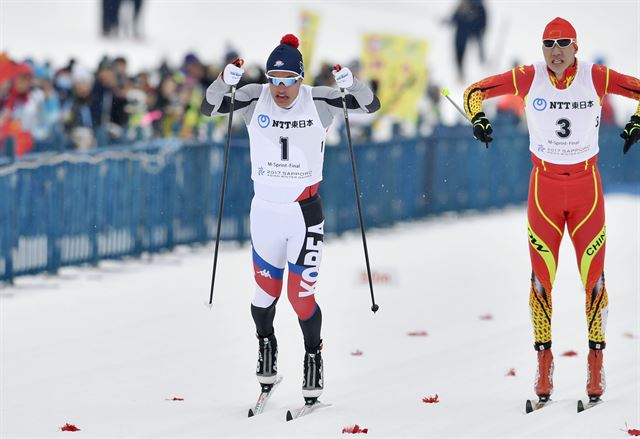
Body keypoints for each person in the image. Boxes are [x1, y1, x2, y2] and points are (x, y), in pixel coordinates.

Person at [462, 17, 640, 405]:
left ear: (576, 46)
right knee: (541, 282)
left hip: (586, 192)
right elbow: (475, 90)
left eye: (563, 43)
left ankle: (596, 364)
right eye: (548, 44)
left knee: (593, 280)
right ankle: (544, 365)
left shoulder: (595, 75)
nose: (555, 51)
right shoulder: (530, 77)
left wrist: (637, 122)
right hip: (543, 190)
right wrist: (478, 119)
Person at [200, 34, 380, 405]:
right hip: (264, 211)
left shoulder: (320, 100)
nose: (280, 89)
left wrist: (352, 83)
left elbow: (370, 105)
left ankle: (313, 357)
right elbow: (209, 108)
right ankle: (267, 347)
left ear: (300, 78)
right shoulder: (254, 96)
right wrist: (224, 81)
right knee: (262, 298)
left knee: (301, 298)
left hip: (304, 213)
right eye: (274, 81)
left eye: (288, 81)